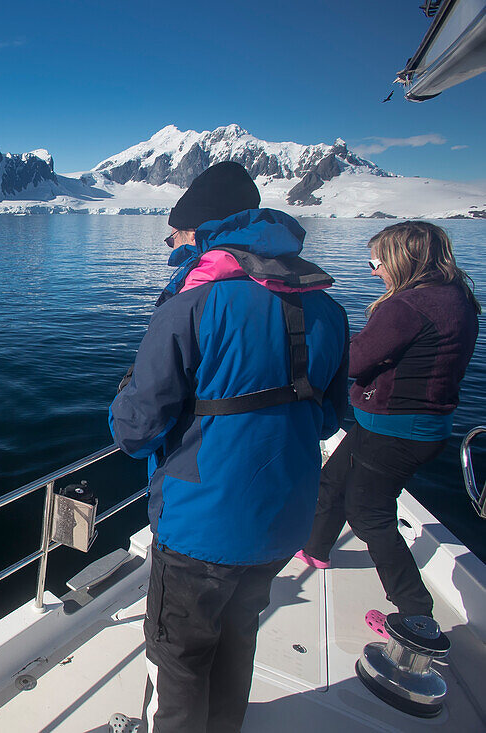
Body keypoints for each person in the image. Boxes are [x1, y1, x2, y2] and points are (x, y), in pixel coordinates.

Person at [108, 161, 350, 733]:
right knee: (238, 645)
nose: (170, 241)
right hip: (283, 521)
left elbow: (134, 431)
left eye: (176, 230)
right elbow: (326, 421)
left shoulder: (190, 307)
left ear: (203, 231)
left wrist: (123, 401)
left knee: (178, 662)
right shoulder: (329, 308)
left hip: (201, 526)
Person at [296, 221, 480, 633]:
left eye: (376, 262)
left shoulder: (409, 305)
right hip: (416, 425)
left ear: (401, 259)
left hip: (396, 429)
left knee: (369, 513)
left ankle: (416, 615)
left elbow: (358, 361)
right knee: (332, 481)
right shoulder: (457, 297)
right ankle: (315, 549)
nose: (374, 271)